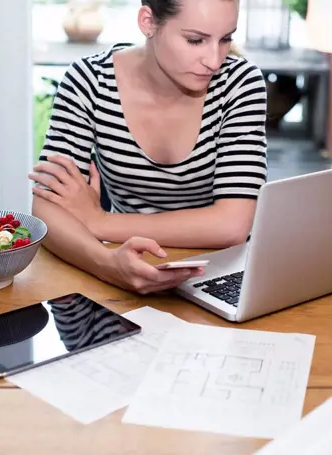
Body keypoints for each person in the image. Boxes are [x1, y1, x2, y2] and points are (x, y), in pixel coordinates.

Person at [28, 0, 268, 295]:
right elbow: (46, 209)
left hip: (221, 275)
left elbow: (232, 226)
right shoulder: (90, 82)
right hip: (123, 259)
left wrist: (100, 222)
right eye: (195, 40)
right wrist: (109, 264)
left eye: (226, 38)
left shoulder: (240, 84)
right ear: (148, 22)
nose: (215, 60)